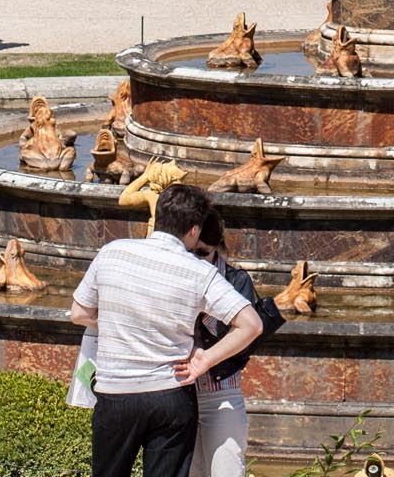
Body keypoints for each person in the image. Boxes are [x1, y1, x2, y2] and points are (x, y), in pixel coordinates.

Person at [70, 184, 261, 477]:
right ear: (194, 230)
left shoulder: (112, 252)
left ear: (157, 217)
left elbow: (79, 313)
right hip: (170, 395)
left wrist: (114, 320)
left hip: (116, 391)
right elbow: (252, 324)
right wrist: (205, 360)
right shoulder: (199, 271)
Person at [189, 211, 257, 477]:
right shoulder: (177, 276)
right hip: (180, 392)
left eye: (202, 253)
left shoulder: (236, 281)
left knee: (226, 469)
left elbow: (245, 339)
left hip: (221, 393)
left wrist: (206, 305)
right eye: (190, 253)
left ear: (217, 247)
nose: (196, 261)